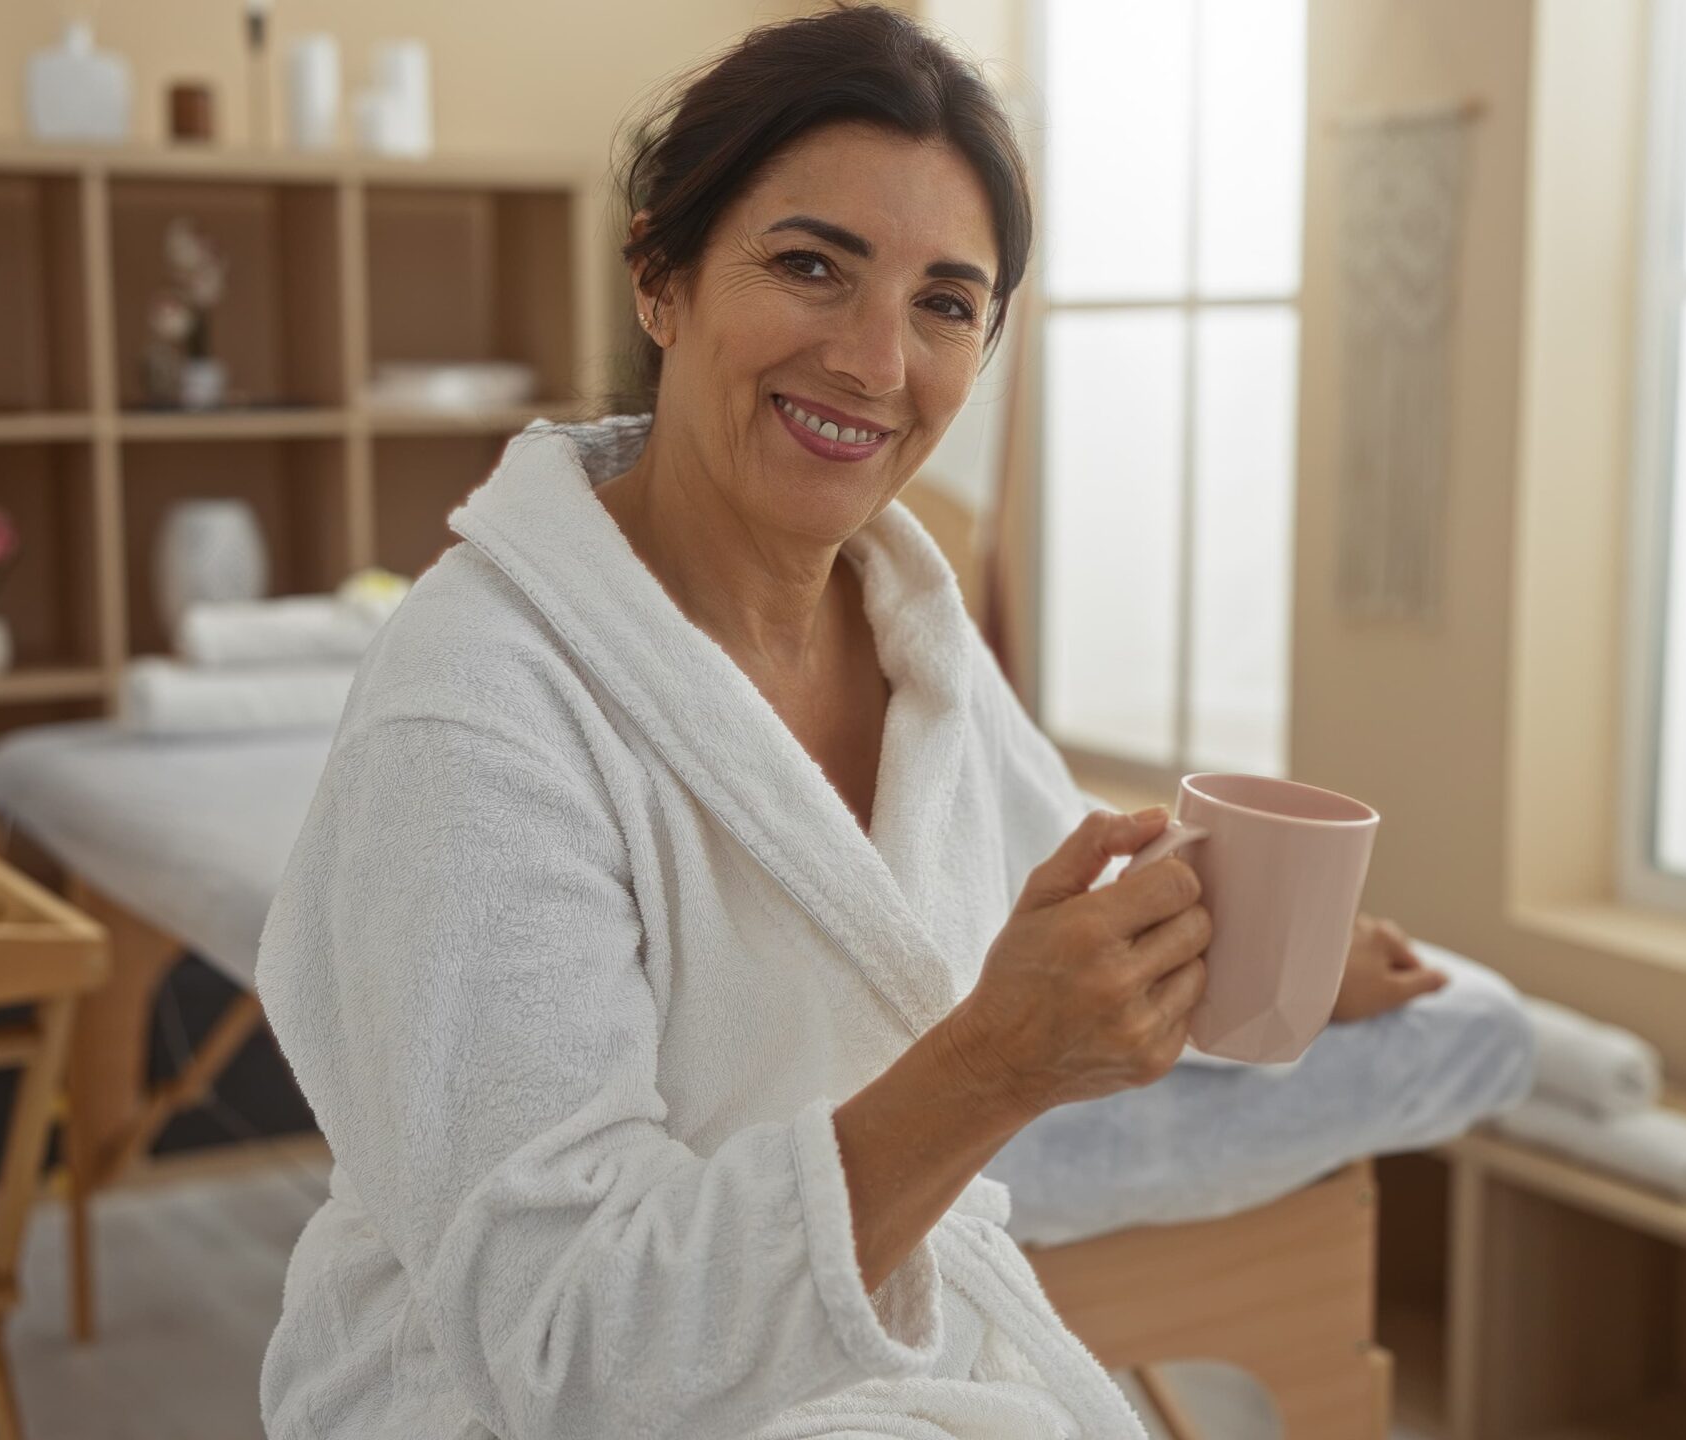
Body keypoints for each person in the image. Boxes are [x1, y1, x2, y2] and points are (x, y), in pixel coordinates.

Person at [255, 7, 1484, 1436]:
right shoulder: (475, 702)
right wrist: (996, 1068)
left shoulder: (914, 631)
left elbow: (1040, 861)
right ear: (662, 276)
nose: (873, 362)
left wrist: (1282, 957)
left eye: (945, 304)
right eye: (810, 266)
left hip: (851, 1370)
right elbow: (561, 1340)